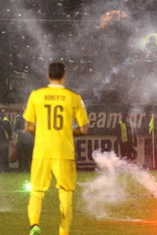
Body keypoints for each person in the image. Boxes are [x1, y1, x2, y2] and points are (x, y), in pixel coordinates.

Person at [24, 62, 89, 235]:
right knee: (65, 194)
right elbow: (83, 129)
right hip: (64, 152)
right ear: (64, 75)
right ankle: (63, 233)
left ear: (48, 76)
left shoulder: (36, 96)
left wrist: (44, 132)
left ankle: (34, 225)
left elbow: (29, 127)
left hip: (42, 151)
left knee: (37, 191)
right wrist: (67, 133)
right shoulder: (73, 97)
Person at [13, 107, 34, 172]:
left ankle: (29, 168)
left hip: (30, 141)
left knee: (30, 155)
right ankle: (21, 168)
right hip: (21, 141)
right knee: (21, 155)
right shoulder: (19, 119)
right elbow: (15, 129)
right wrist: (22, 131)